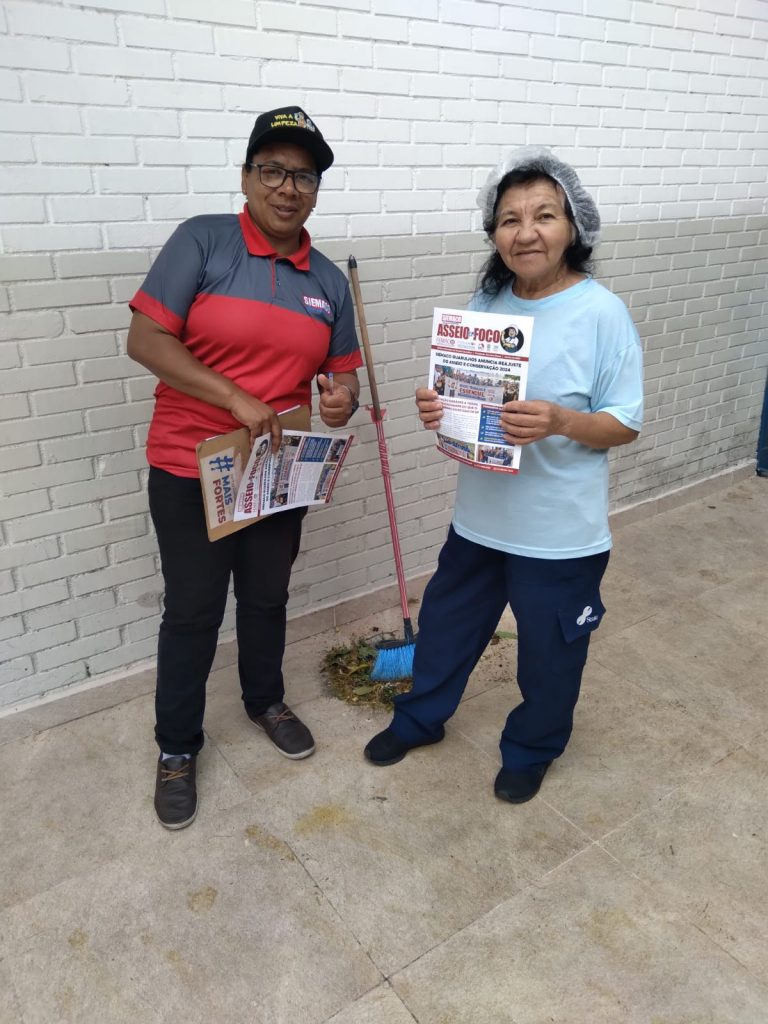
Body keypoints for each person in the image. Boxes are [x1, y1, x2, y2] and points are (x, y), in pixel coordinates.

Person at [364, 146, 643, 804]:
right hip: (480, 519)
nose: (526, 232)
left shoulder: (602, 313)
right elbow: (465, 397)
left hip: (559, 533)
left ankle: (532, 748)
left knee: (550, 653)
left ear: (574, 226)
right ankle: (419, 719)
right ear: (493, 233)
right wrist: (440, 409)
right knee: (446, 627)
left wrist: (561, 421)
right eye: (510, 219)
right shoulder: (486, 302)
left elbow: (625, 423)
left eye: (544, 215)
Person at [127, 106, 362, 829]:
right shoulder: (203, 240)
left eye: (304, 176)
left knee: (266, 597)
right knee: (194, 610)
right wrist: (234, 397)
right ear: (247, 177)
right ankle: (177, 746)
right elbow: (146, 339)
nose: (288, 187)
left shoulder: (328, 281)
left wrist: (340, 401)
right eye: (273, 171)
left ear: (316, 190)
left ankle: (265, 701)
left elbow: (343, 380)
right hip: (190, 466)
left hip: (276, 471)